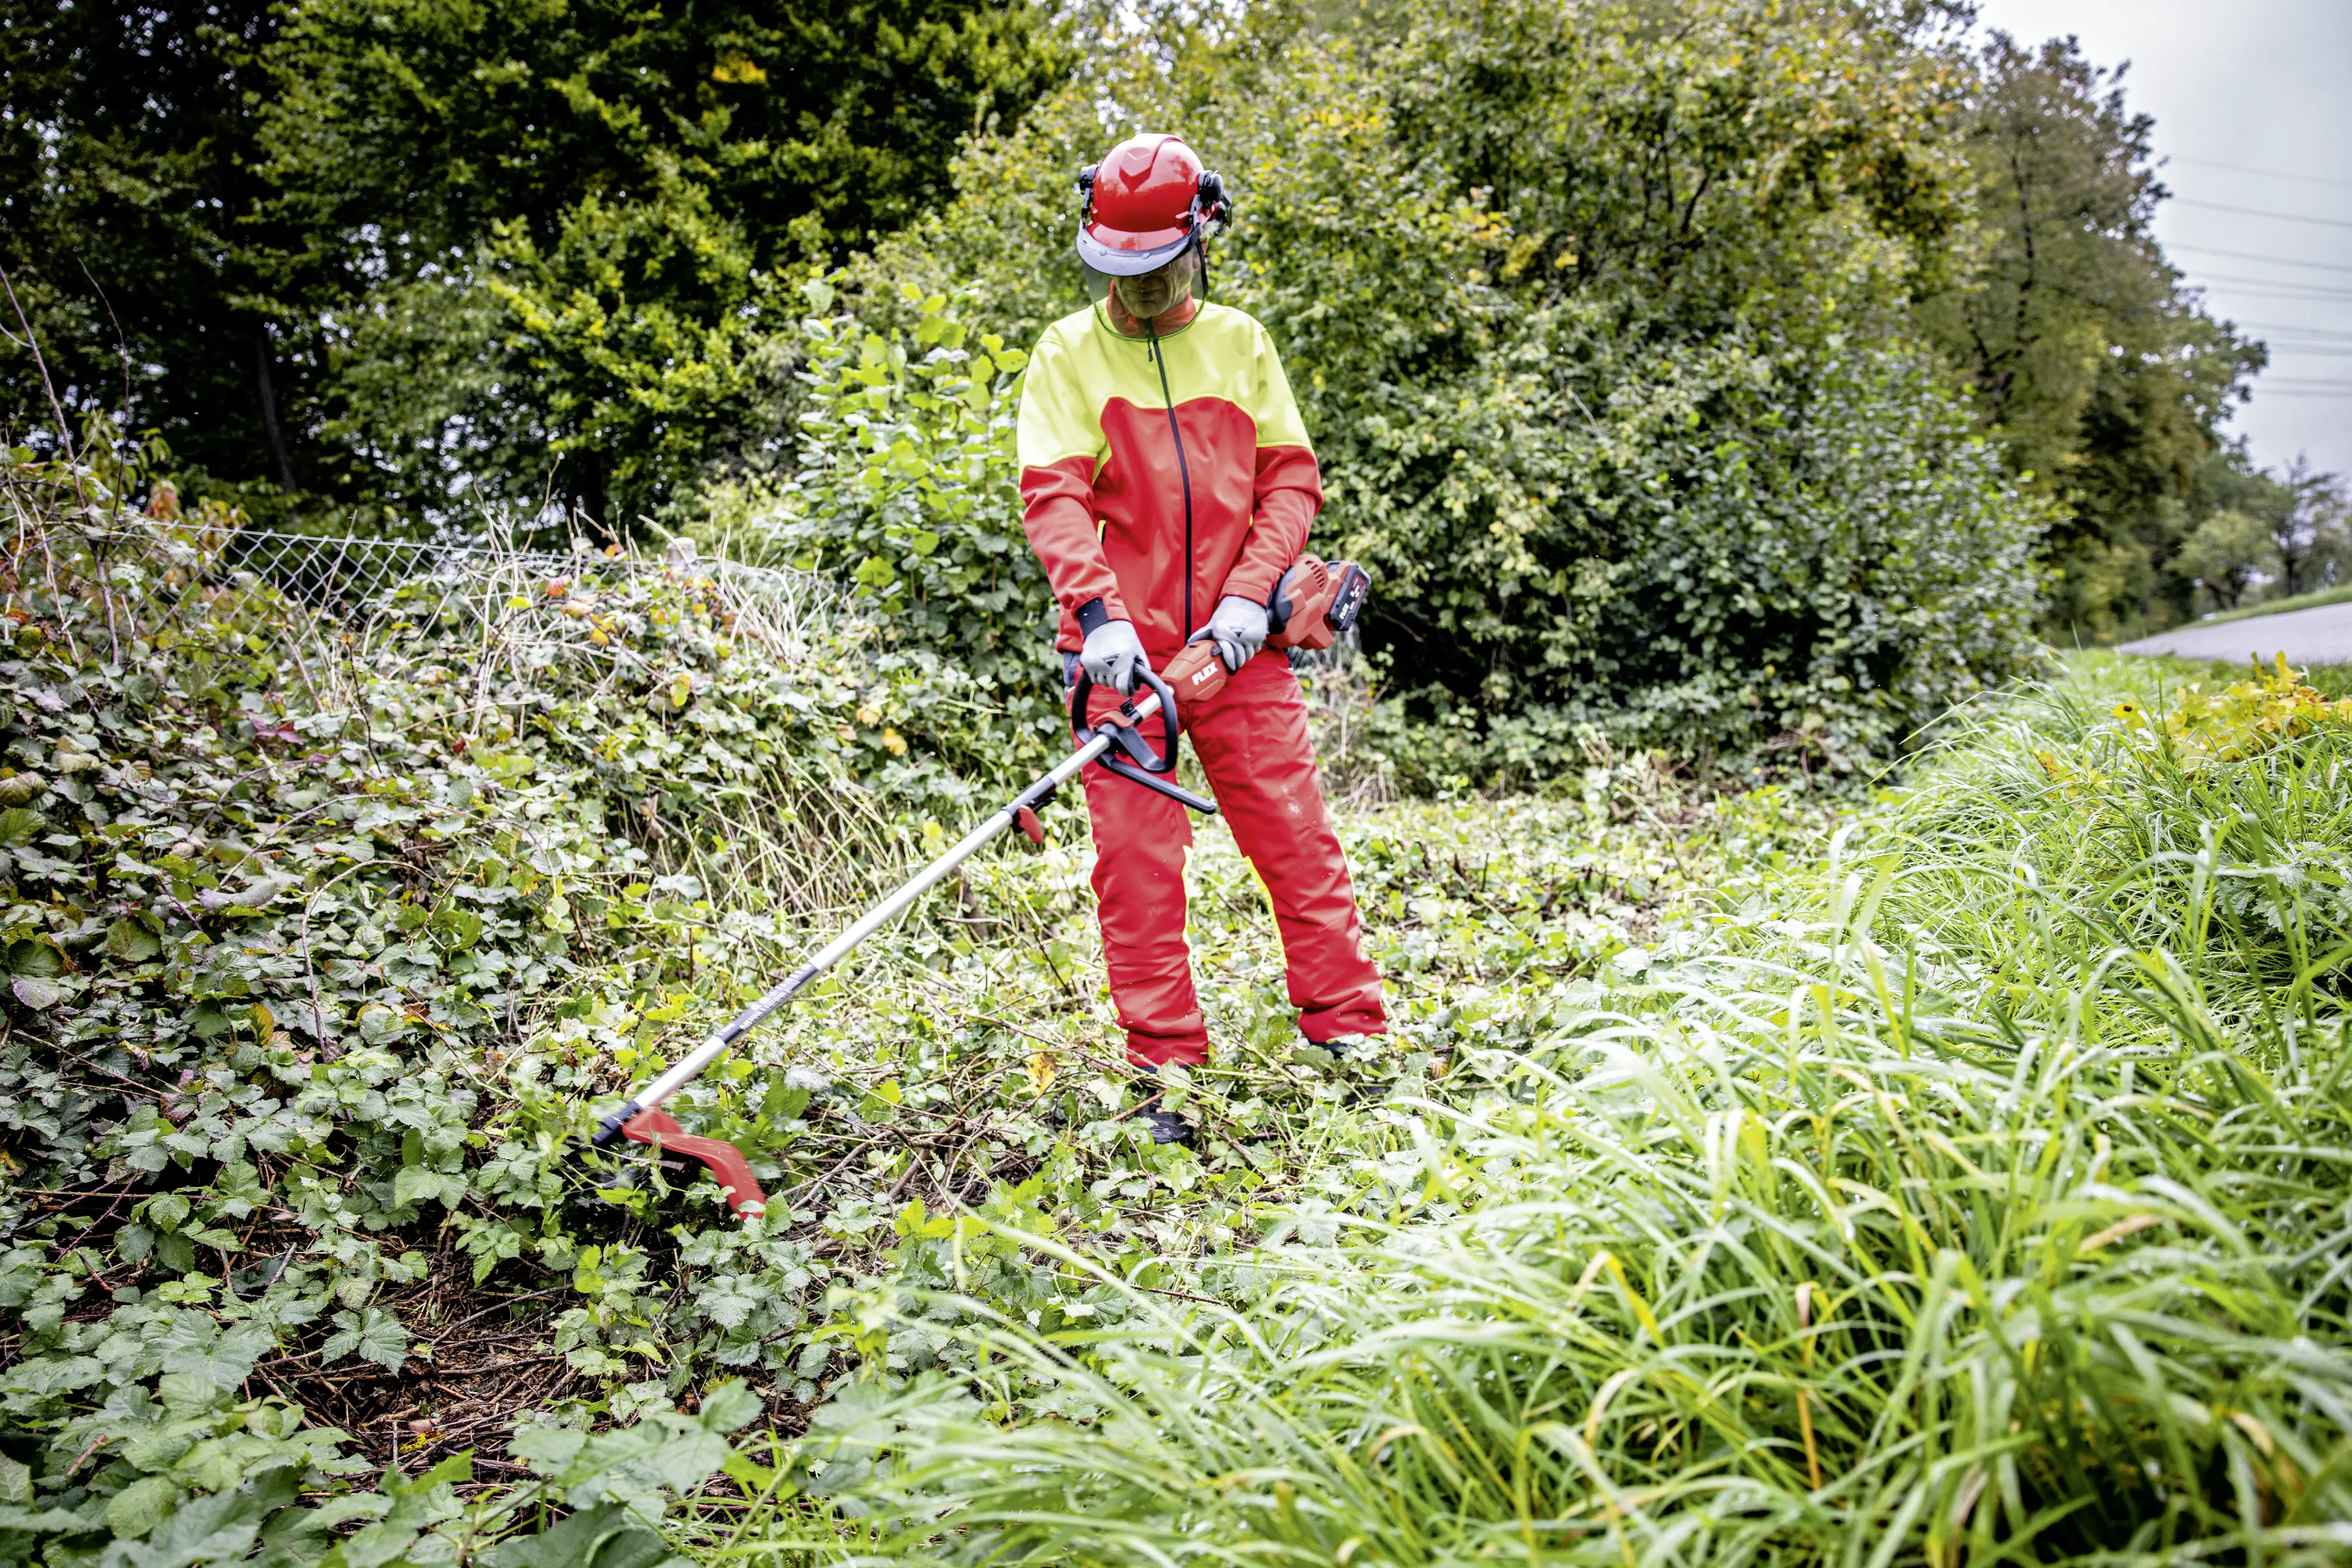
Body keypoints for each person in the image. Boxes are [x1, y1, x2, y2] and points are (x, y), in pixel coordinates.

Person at [1014, 131, 1385, 1144]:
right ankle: (1164, 1073)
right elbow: (1052, 499)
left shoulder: (1241, 344)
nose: (1136, 291)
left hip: (1242, 648)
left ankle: (1348, 1033)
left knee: (1297, 844)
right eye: (1116, 272)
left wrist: (1247, 596)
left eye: (1157, 268)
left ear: (1200, 241)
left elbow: (1290, 481)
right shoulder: (1067, 354)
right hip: (1121, 665)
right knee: (1137, 870)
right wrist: (1099, 619)